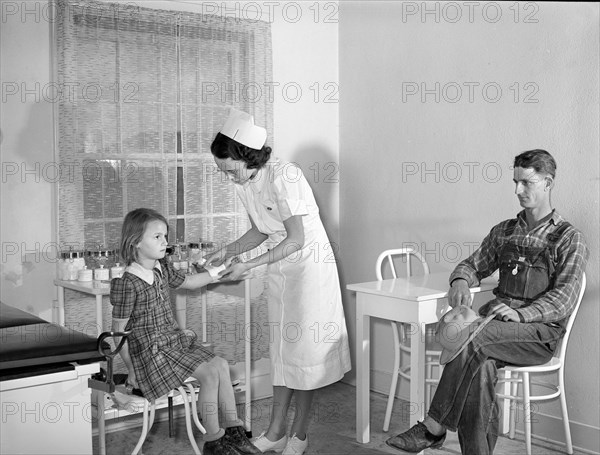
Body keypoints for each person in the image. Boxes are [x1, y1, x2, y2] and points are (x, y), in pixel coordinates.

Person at [386, 149, 589, 455]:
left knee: (474, 338)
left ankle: (432, 427)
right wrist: (460, 281)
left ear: (548, 182)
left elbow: (564, 298)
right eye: (515, 182)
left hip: (537, 335)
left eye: (527, 183)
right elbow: (472, 265)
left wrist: (522, 315)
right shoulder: (504, 231)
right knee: (480, 367)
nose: (518, 191)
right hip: (493, 331)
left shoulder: (568, 238)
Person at [206, 108, 352, 455]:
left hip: (309, 272)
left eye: (228, 168)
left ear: (244, 155)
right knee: (284, 354)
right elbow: (261, 229)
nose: (226, 176)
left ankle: (299, 435)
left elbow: (296, 238)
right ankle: (275, 432)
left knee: (305, 357)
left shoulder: (285, 176)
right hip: (282, 269)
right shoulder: (245, 182)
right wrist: (227, 251)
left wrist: (250, 266)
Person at [110, 208, 260, 455]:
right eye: (157, 237)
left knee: (221, 364)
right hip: (151, 353)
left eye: (165, 236)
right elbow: (118, 332)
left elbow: (189, 282)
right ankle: (214, 441)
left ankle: (235, 433)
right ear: (136, 241)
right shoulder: (127, 282)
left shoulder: (161, 267)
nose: (165, 242)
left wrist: (218, 272)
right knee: (210, 375)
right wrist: (133, 370)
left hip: (170, 341)